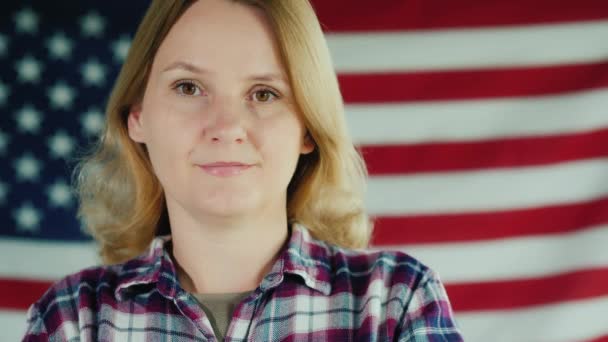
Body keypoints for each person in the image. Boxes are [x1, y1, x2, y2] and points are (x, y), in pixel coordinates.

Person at [23, 0, 463, 340]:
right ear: (137, 115)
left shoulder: (395, 301)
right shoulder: (73, 319)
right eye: (188, 87)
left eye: (265, 93)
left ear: (307, 126)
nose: (227, 127)